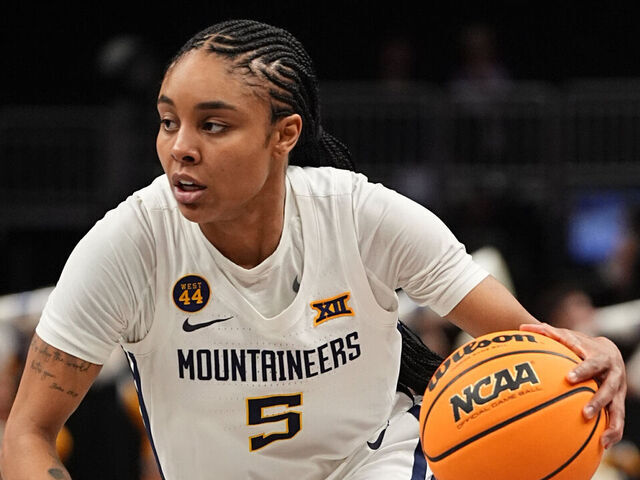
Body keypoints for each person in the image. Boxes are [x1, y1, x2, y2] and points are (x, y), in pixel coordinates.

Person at [0, 19, 626, 480]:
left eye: (213, 125)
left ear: (285, 134)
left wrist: (592, 358)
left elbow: (532, 343)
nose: (180, 148)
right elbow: (27, 432)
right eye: (169, 122)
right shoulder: (128, 244)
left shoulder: (361, 215)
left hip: (376, 463)